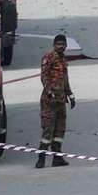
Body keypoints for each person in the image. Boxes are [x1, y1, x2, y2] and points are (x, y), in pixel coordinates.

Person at [36, 34, 74, 168]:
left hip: (61, 100)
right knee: (48, 130)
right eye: (58, 44)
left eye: (63, 44)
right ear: (54, 45)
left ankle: (57, 157)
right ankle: (41, 159)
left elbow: (65, 79)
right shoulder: (49, 58)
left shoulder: (63, 60)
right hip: (49, 101)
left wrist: (70, 94)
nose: (61, 47)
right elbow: (44, 77)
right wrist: (50, 92)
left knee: (60, 129)